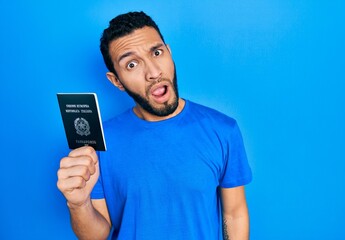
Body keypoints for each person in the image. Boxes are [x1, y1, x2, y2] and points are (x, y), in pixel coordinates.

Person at [57, 11, 252, 240]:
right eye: (131, 64)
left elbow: (234, 213)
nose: (153, 72)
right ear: (116, 81)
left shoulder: (222, 130)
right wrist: (78, 204)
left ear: (169, 53)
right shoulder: (99, 143)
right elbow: (96, 235)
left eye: (156, 53)